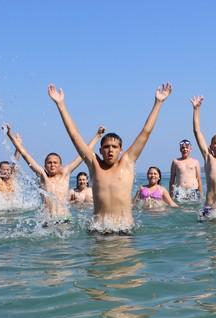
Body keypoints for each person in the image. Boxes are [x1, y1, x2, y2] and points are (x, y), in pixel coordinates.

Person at [48, 82, 172, 232]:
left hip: (123, 231)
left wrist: (158, 103)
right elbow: (74, 135)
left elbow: (146, 132)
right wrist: (61, 104)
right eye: (106, 147)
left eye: (114, 147)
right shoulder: (94, 164)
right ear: (100, 150)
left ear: (121, 150)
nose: (110, 150)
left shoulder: (127, 162)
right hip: (98, 231)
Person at [5, 124, 103, 220]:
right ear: (45, 165)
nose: (52, 165)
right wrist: (10, 135)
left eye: (55, 163)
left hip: (65, 220)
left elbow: (84, 154)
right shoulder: (43, 175)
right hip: (48, 221)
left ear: (60, 165)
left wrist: (97, 136)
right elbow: (25, 154)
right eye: (49, 163)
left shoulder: (65, 174)